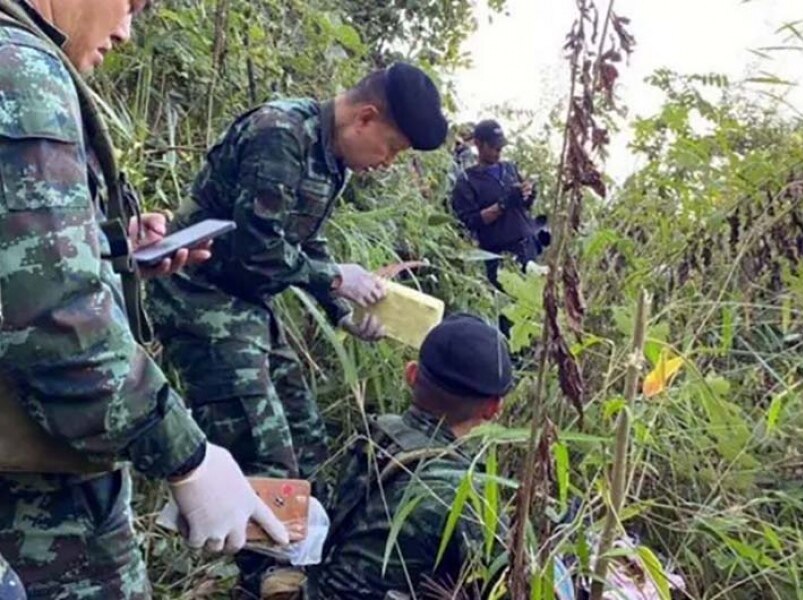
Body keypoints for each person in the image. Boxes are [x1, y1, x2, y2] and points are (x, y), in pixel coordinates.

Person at [0, 0, 290, 598]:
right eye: (130, 4)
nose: (127, 31)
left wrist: (105, 252)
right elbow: (55, 325)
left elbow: (22, 270)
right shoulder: (19, 69)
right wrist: (189, 458)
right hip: (37, 497)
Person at [146, 62, 449, 597]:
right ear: (366, 117)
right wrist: (335, 278)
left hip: (247, 304)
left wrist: (344, 310)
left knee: (307, 441)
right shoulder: (280, 136)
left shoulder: (330, 159)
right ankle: (263, 581)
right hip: (200, 297)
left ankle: (292, 563)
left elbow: (303, 243)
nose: (388, 163)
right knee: (265, 454)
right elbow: (254, 251)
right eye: (392, 148)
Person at [309, 313, 512, 599]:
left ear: (412, 374)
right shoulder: (467, 491)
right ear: (493, 409)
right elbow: (504, 587)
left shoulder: (375, 432)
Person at [451, 119, 547, 290]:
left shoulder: (509, 168)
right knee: (508, 309)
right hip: (501, 257)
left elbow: (523, 206)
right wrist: (503, 205)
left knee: (532, 305)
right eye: (494, 147)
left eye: (501, 147)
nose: (499, 152)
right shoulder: (467, 181)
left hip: (527, 246)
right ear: (479, 144)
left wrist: (528, 195)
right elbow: (470, 222)